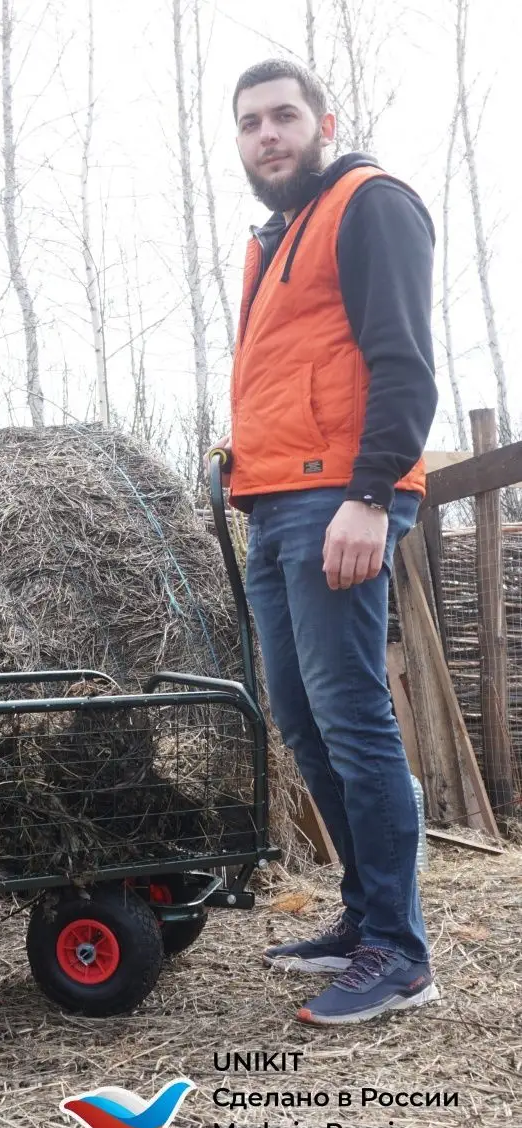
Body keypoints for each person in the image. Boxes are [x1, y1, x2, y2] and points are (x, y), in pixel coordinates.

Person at [208, 59, 440, 1025]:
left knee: (353, 721)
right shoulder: (276, 237)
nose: (269, 135)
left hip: (337, 501)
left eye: (285, 116)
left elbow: (404, 365)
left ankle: (399, 950)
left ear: (323, 121)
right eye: (251, 122)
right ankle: (362, 918)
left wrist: (371, 497)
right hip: (275, 503)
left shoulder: (369, 204)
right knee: (304, 724)